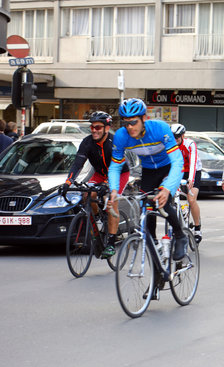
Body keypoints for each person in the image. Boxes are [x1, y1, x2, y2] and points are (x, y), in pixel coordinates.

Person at [108, 98, 187, 264]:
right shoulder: (122, 136)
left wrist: (167, 188)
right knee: (146, 205)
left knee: (162, 202)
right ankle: (153, 244)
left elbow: (178, 162)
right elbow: (115, 167)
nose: (130, 127)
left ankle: (180, 236)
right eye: (126, 123)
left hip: (167, 167)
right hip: (149, 171)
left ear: (144, 118)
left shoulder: (160, 129)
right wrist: (113, 190)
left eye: (134, 122)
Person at [59, 111, 130, 259]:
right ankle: (99, 217)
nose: (94, 130)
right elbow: (77, 164)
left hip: (119, 174)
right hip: (100, 173)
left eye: (98, 127)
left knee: (110, 202)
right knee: (87, 194)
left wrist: (107, 184)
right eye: (92, 127)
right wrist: (68, 182)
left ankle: (111, 242)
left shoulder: (114, 142)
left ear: (106, 128)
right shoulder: (87, 142)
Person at [171, 123, 203, 244]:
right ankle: (179, 215)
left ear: (183, 136)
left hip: (193, 171)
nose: (175, 140)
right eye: (172, 137)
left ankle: (197, 228)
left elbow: (193, 162)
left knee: (191, 199)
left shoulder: (190, 144)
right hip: (179, 171)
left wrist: (191, 179)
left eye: (177, 137)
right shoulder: (170, 145)